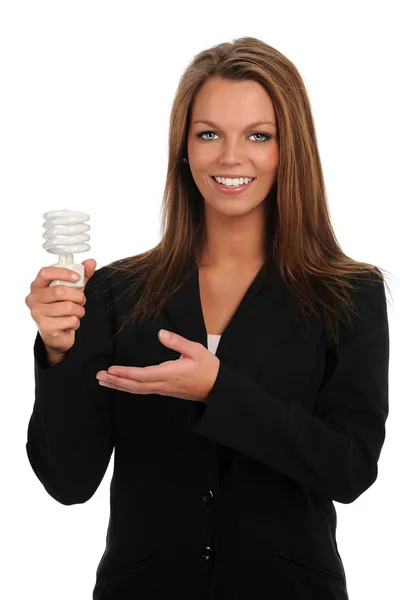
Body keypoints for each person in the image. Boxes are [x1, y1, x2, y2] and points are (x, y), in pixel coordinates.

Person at [25, 36, 390, 600]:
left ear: (289, 149)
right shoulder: (118, 291)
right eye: (209, 134)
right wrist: (56, 350)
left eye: (259, 135)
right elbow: (69, 482)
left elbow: (349, 469)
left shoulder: (349, 294)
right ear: (184, 148)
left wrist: (218, 391)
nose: (229, 157)